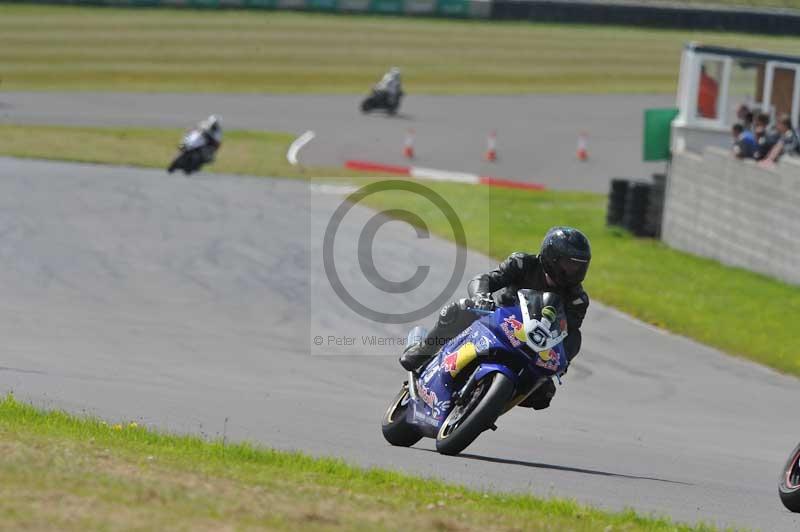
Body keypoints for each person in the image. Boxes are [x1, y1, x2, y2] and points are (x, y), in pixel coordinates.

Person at [399, 226, 591, 410]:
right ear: (552, 257)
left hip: (533, 345)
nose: (574, 271)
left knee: (544, 393)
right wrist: (481, 297)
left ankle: (489, 405)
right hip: (498, 319)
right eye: (569, 264)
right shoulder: (522, 263)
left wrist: (561, 363)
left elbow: (570, 334)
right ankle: (422, 351)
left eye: (579, 266)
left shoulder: (577, 300)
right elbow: (486, 279)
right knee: (458, 310)